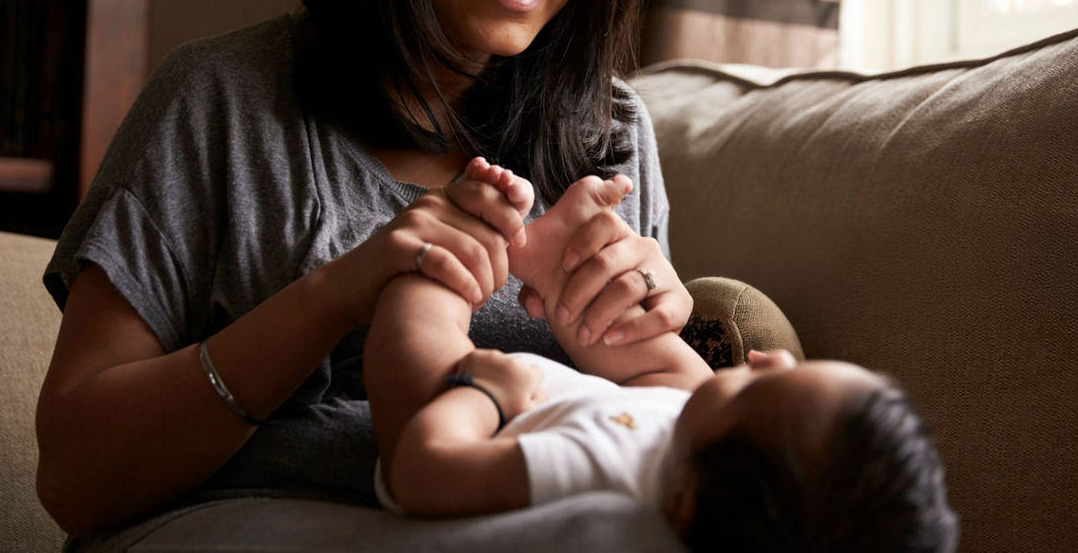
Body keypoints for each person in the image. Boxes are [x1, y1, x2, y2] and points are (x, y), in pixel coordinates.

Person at [34, 0, 692, 542]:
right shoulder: (220, 101)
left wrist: (641, 331)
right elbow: (76, 477)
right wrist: (338, 292)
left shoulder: (608, 135)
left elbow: (652, 430)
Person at [367, 160, 960, 552]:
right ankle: (557, 267)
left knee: (425, 335)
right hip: (595, 406)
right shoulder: (695, 447)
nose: (767, 360)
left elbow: (425, 474)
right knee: (678, 374)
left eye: (754, 393)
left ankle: (439, 255)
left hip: (460, 416)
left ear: (686, 501)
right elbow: (658, 377)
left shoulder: (606, 468)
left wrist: (480, 393)